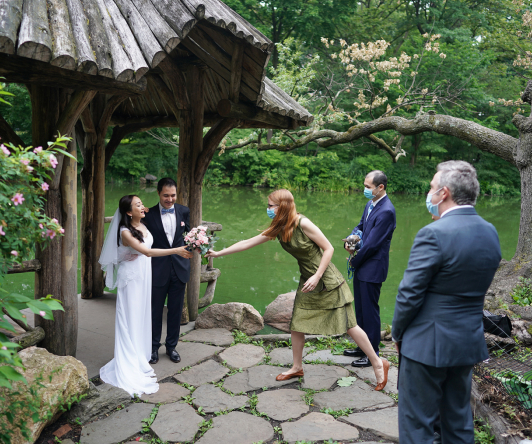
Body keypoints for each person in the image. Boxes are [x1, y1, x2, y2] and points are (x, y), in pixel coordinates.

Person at [207, 189, 390, 390]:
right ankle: (296, 367)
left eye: (270, 206)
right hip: (307, 280)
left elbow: (328, 248)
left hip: (325, 279)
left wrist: (317, 275)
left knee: (349, 324)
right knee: (297, 324)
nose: (267, 209)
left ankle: (377, 362)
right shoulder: (280, 226)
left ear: (282, 206)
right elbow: (248, 242)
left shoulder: (303, 223)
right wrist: (219, 252)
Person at [392, 161, 501, 444]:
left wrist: (398, 332)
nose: (428, 194)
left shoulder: (434, 233)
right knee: (458, 420)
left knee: (418, 425)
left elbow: (409, 293)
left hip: (427, 341)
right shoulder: (490, 231)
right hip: (467, 340)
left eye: (431, 188)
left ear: (444, 193)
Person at [98, 195, 192, 396]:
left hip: (144, 275)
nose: (143, 206)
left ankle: (140, 353)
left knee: (142, 315)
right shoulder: (124, 232)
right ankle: (129, 358)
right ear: (128, 212)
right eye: (137, 205)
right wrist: (176, 250)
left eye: (142, 203)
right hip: (131, 277)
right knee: (130, 316)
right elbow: (146, 252)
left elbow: (156, 218)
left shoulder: (142, 223)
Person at [343, 170, 396, 367]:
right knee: (361, 310)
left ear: (380, 187)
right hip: (362, 265)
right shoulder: (370, 204)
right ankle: (361, 347)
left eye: (368, 187)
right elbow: (361, 228)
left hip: (373, 268)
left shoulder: (387, 211)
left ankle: (372, 353)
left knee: (370, 311)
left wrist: (354, 261)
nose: (364, 189)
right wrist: (350, 240)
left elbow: (372, 244)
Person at [142, 178, 191, 364]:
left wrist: (195, 248)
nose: (170, 199)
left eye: (173, 195)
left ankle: (172, 347)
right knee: (155, 311)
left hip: (180, 268)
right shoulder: (148, 214)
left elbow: (191, 234)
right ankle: (153, 347)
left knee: (175, 311)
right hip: (157, 269)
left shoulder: (184, 211)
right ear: (158, 193)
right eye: (166, 195)